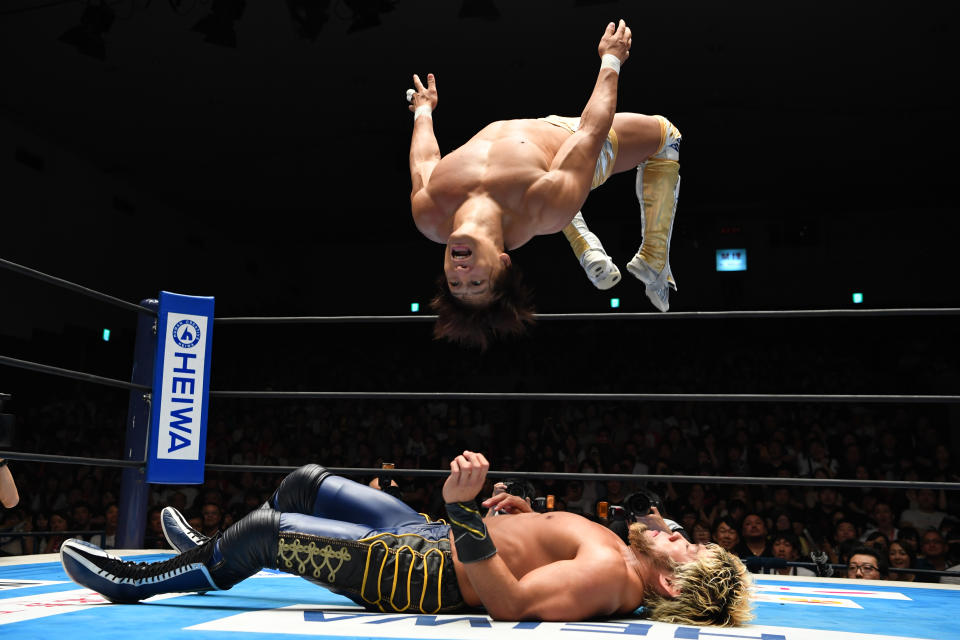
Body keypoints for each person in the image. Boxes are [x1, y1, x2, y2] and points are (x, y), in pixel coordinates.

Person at [60, 451, 751, 626]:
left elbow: (505, 602)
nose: (672, 531)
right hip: (426, 535)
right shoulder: (616, 553)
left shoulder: (610, 574)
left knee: (268, 534)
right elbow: (526, 555)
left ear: (668, 581)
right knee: (304, 483)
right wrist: (507, 517)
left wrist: (466, 514)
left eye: (683, 544)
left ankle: (140, 582)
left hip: (420, 571)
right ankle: (210, 553)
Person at [408, 21, 684, 348]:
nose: (461, 271)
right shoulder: (543, 204)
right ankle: (653, 256)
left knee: (553, 202)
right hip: (570, 145)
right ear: (502, 262)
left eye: (455, 283)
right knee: (668, 137)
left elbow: (424, 160)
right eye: (477, 281)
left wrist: (423, 112)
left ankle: (580, 232)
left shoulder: (429, 214)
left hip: (542, 146)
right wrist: (611, 60)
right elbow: (589, 133)